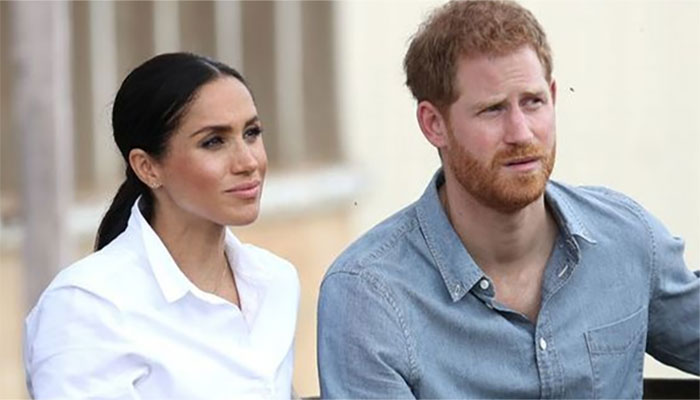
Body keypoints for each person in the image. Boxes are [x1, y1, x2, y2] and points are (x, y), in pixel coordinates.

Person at [317, 1, 699, 398]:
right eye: (492, 110)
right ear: (434, 124)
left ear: (553, 96)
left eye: (533, 102)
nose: (521, 133)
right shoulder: (369, 296)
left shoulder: (627, 240)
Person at [24, 52, 299, 399]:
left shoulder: (275, 281)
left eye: (252, 133)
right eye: (213, 141)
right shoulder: (88, 307)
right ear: (147, 167)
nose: (248, 162)